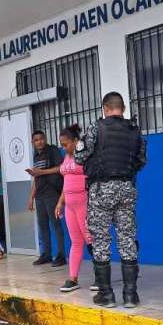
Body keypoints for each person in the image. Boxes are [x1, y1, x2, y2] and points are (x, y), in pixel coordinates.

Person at [75, 92, 146, 308]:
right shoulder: (134, 130)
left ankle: (106, 295)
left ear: (105, 108)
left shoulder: (96, 127)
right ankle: (131, 295)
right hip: (126, 188)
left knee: (101, 240)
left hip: (101, 190)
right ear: (122, 108)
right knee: (127, 238)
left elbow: (79, 157)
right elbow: (141, 161)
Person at [55, 124, 94, 293]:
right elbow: (66, 182)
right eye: (62, 145)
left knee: (91, 239)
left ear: (76, 141)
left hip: (84, 202)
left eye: (66, 144)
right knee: (76, 241)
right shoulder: (67, 157)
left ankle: (101, 276)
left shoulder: (85, 156)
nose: (64, 148)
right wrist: (60, 202)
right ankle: (73, 279)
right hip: (70, 205)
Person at [26, 130, 65, 267]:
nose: (39, 142)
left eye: (41, 139)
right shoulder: (36, 156)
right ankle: (46, 255)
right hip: (40, 195)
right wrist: (31, 197)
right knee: (43, 226)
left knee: (56, 225)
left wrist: (42, 172)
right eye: (36, 140)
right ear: (32, 142)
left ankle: (61, 256)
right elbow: (36, 177)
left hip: (52, 193)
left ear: (45, 138)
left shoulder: (52, 150)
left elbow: (61, 168)